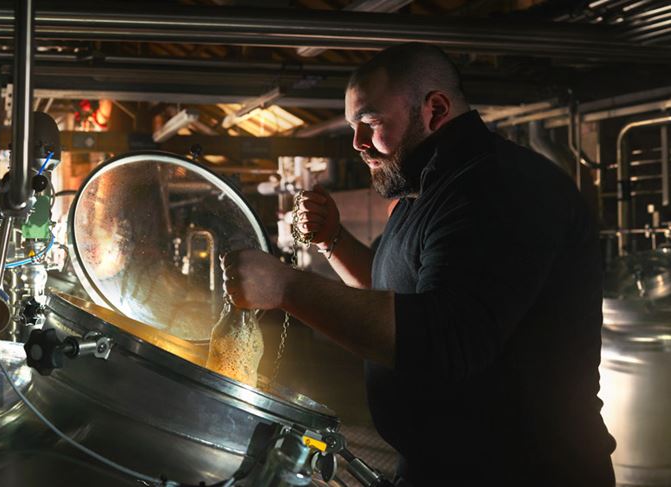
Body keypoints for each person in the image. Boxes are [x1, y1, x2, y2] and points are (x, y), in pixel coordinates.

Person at [221, 43, 616, 486]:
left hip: (524, 473)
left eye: (369, 123)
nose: (357, 144)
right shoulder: (422, 192)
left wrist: (286, 288)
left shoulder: (499, 188)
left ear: (436, 109)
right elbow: (399, 293)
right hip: (440, 466)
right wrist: (333, 240)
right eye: (354, 127)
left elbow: (444, 338)